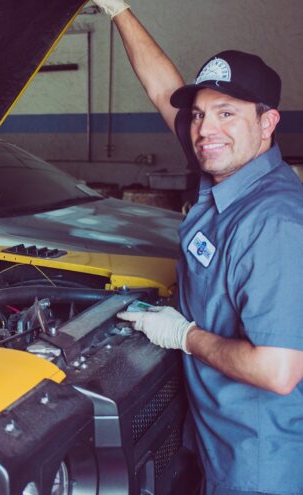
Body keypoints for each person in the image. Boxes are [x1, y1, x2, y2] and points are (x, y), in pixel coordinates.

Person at [91, 1, 303, 494]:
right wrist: (118, 9)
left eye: (227, 113)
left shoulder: (273, 223)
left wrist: (182, 334)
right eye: (200, 114)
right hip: (218, 443)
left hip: (261, 462)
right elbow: (164, 90)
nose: (206, 130)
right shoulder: (227, 169)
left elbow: (278, 370)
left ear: (268, 122)